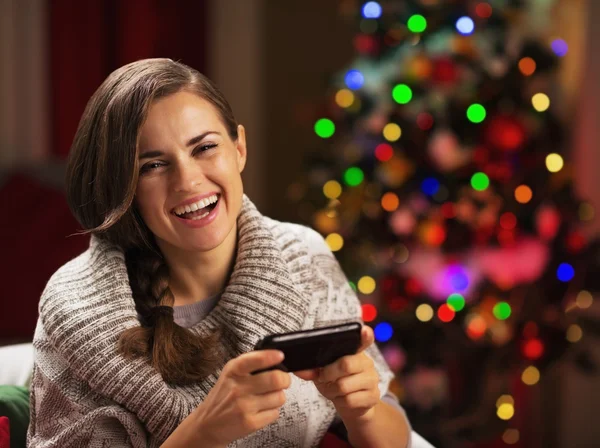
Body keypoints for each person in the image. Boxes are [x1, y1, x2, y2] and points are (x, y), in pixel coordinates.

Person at [27, 58, 414, 448]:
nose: (189, 180)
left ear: (239, 148)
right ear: (121, 187)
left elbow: (397, 437)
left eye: (205, 148)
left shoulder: (305, 256)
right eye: (153, 165)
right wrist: (205, 432)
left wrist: (362, 410)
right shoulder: (74, 310)